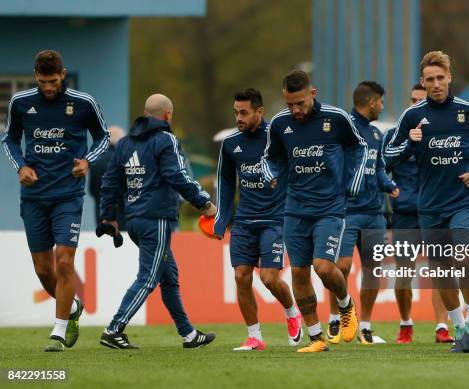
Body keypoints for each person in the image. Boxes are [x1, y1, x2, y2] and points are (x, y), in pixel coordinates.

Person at [384, 51, 469, 353]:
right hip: (430, 207)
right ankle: (460, 329)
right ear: (423, 81)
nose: (435, 84)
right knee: (442, 270)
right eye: (429, 79)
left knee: (464, 258)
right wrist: (411, 143)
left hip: (465, 202)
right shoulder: (412, 116)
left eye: (439, 78)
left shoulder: (468, 112)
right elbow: (388, 157)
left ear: (449, 77)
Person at [2, 50, 109, 352]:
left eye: (53, 81)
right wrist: (21, 166)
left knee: (64, 261)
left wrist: (87, 160)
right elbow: (9, 138)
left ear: (62, 74)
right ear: (35, 76)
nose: (48, 87)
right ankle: (73, 307)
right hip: (34, 197)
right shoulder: (21, 103)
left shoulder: (83, 103)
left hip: (68, 195)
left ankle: (59, 331)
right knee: (43, 269)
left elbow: (102, 138)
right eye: (42, 81)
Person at [99, 94, 216, 349]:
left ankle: (188, 334)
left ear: (145, 113)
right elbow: (178, 176)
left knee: (169, 276)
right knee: (149, 278)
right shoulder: (166, 140)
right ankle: (114, 329)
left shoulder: (125, 143)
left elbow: (110, 182)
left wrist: (108, 216)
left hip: (134, 222)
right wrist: (204, 203)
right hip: (157, 219)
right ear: (168, 114)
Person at [261, 70, 366, 352]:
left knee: (323, 267)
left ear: (313, 94)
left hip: (330, 207)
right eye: (289, 104)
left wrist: (355, 179)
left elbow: (360, 147)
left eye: (300, 103)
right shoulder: (280, 124)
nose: (295, 110)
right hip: (294, 208)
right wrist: (269, 173)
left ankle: (345, 305)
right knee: (298, 271)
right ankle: (317, 338)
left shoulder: (336, 118)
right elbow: (270, 157)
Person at [214, 88, 302, 351]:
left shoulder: (278, 138)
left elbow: (297, 170)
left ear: (259, 112)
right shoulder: (230, 144)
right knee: (241, 277)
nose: (238, 118)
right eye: (236, 112)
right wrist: (221, 219)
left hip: (275, 219)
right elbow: (226, 183)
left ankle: (292, 313)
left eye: (244, 112)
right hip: (244, 221)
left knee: (269, 278)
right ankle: (255, 337)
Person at [325, 81, 399, 345]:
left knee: (373, 270)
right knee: (341, 266)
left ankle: (365, 326)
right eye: (380, 102)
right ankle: (336, 318)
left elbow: (377, 168)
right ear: (371, 102)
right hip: (346, 212)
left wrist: (388, 185)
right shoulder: (343, 129)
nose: (382, 106)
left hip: (374, 213)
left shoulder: (376, 134)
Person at [382, 83, 453, 344]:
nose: (416, 104)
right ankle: (405, 323)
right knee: (404, 273)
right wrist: (389, 186)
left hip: (437, 211)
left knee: (441, 270)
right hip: (406, 215)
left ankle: (441, 327)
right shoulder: (395, 133)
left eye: (420, 100)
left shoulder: (445, 132)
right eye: (413, 99)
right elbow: (382, 164)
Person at [89, 126, 126, 229]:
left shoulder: (96, 158)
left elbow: (92, 189)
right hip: (120, 212)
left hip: (100, 209)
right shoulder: (121, 158)